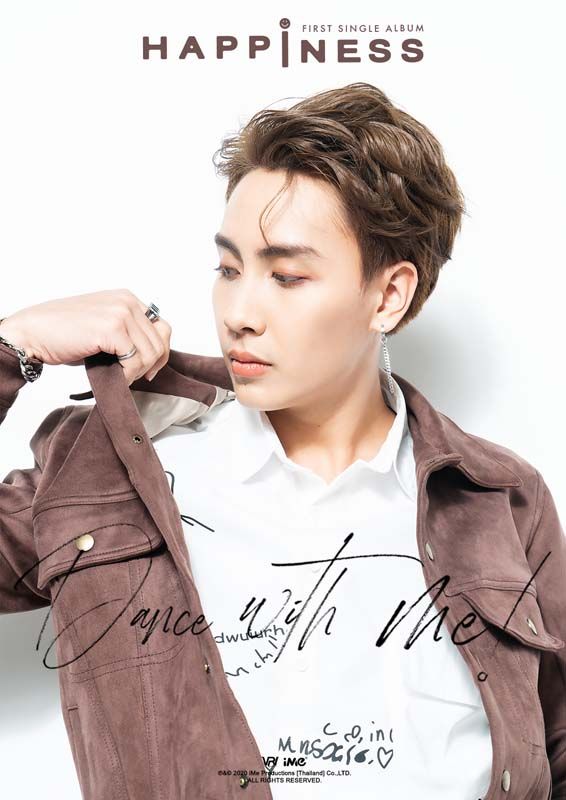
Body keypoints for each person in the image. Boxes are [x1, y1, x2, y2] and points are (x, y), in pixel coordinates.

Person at [0, 82, 563, 799]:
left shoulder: (499, 497)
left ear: (388, 295)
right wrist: (13, 344)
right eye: (229, 269)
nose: (239, 312)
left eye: (287, 276)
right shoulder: (111, 470)